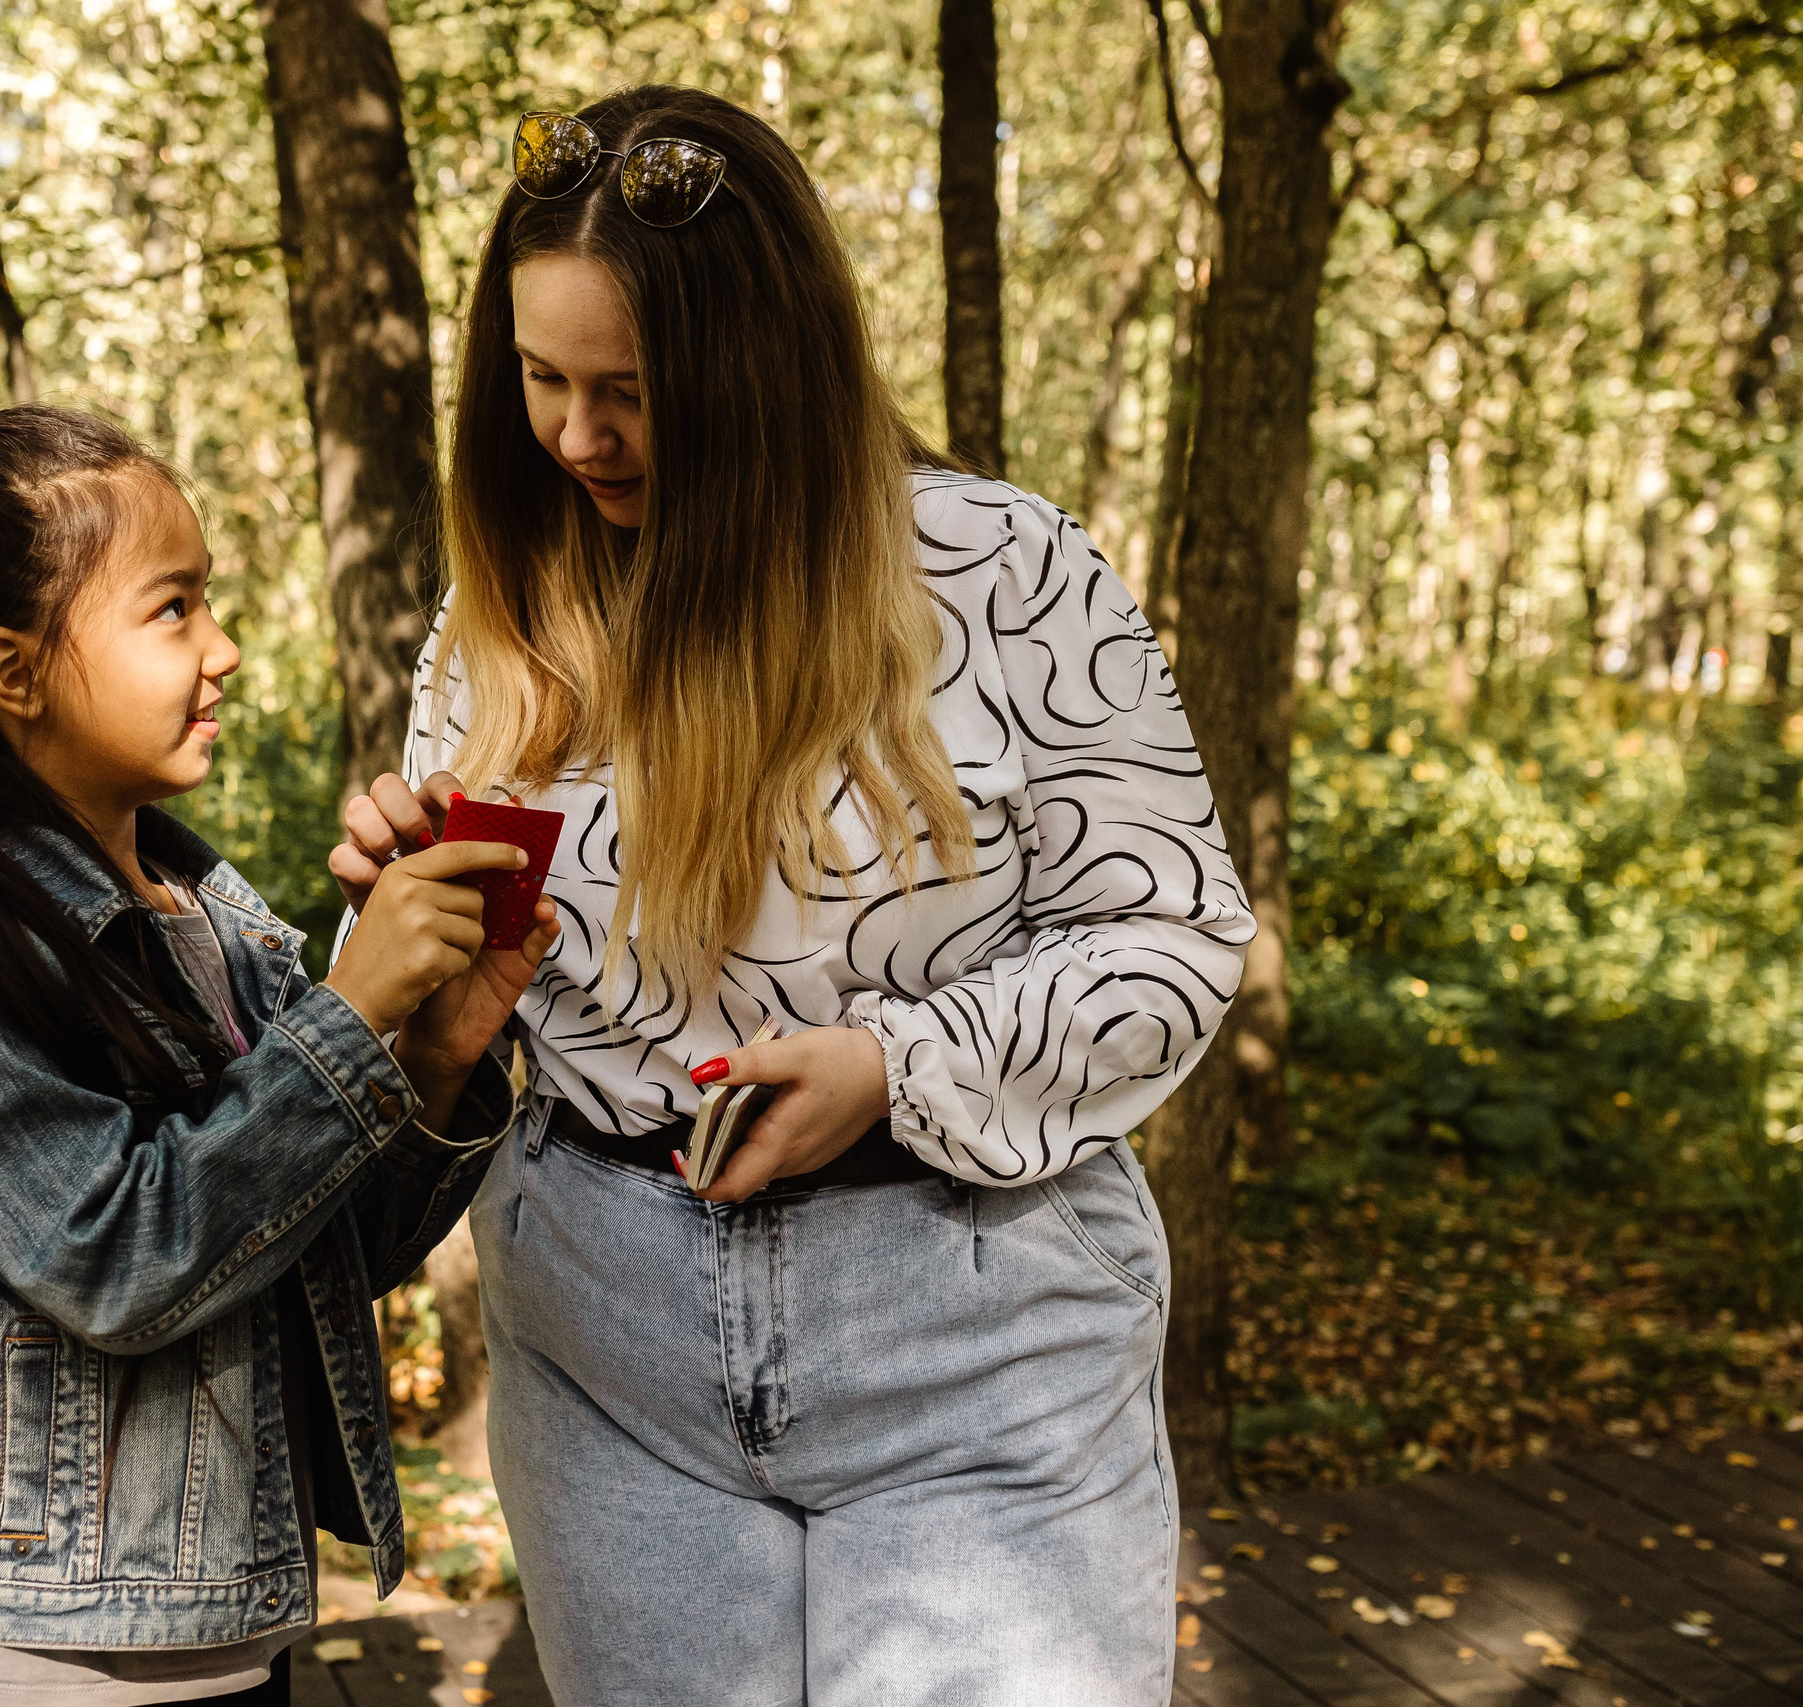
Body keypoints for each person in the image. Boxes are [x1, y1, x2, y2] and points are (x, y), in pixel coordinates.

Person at [331, 89, 1256, 1704]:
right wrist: (414, 976)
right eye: (541, 380)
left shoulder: (1004, 571)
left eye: (631, 392)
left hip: (976, 1326)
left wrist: (896, 1067)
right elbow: (450, 1036)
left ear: (767, 370)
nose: (577, 438)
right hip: (604, 1346)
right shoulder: (497, 618)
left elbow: (1173, 933)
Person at [0, 405, 557, 1707]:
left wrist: (434, 1052)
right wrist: (345, 1017)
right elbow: (117, 1260)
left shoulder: (212, 921)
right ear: (12, 670)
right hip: (41, 1665)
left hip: (222, 1639)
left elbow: (306, 1252)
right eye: (173, 609)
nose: (225, 648)